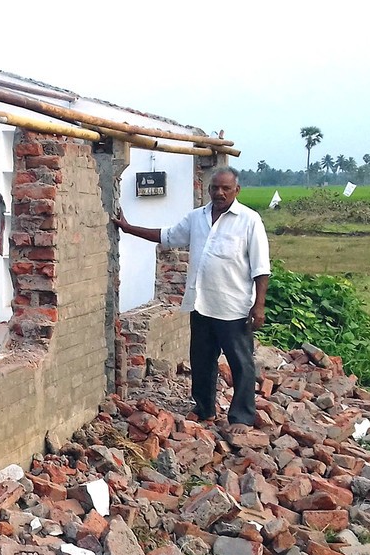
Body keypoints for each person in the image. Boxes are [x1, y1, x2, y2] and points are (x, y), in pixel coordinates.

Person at [112, 167, 270, 434]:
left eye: (225, 189)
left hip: (234, 307)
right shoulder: (197, 218)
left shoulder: (249, 220)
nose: (219, 193)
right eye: (214, 188)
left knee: (241, 362)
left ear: (236, 190)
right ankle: (204, 408)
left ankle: (242, 417)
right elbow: (167, 236)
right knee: (201, 359)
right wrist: (128, 229)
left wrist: (259, 305)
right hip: (202, 304)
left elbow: (261, 268)